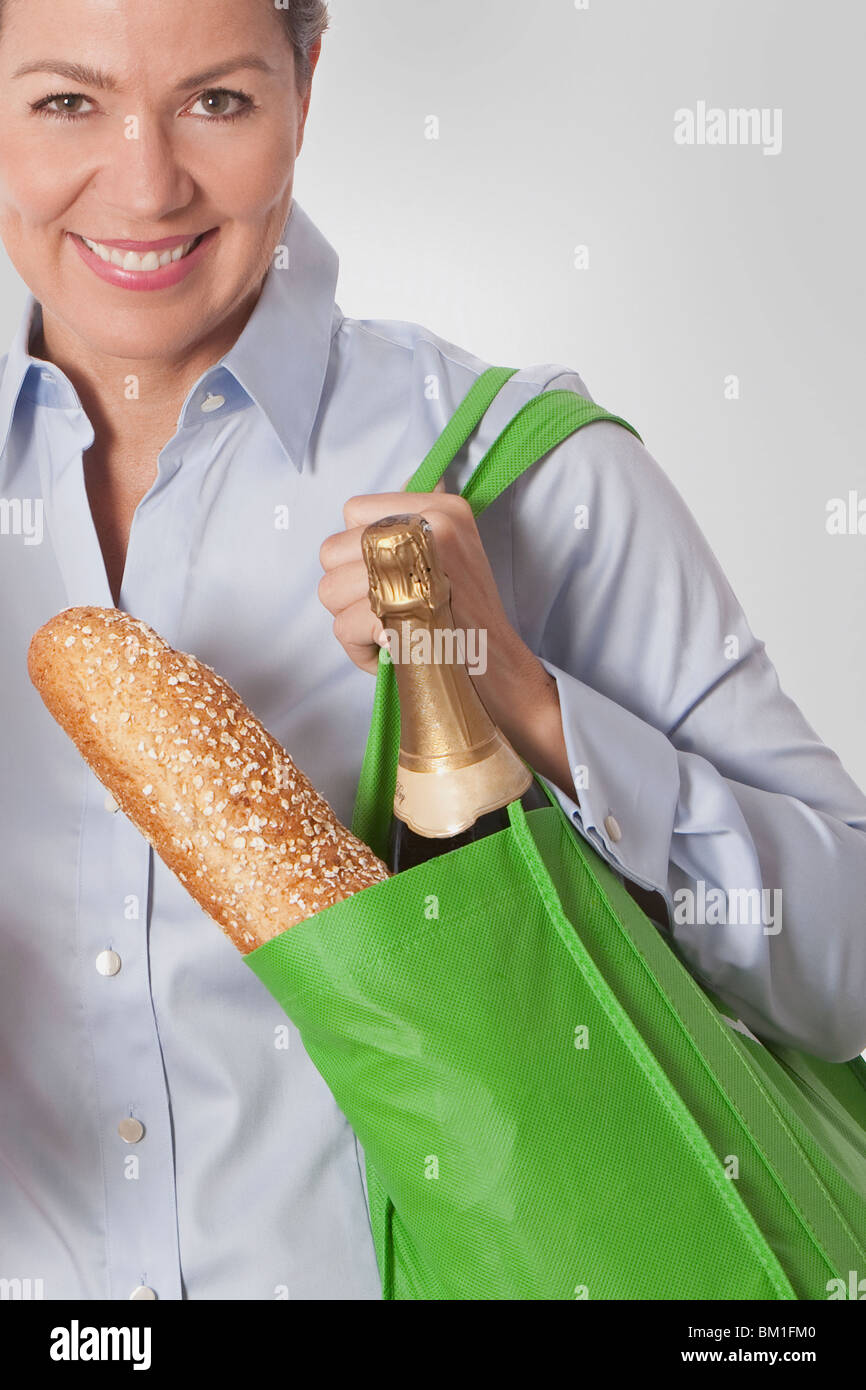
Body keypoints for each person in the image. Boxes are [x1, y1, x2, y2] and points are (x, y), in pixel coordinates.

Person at [0, 0, 863, 1302]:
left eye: (216, 101)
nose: (143, 182)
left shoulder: (517, 475)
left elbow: (846, 969)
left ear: (305, 76)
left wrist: (522, 693)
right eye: (67, 101)